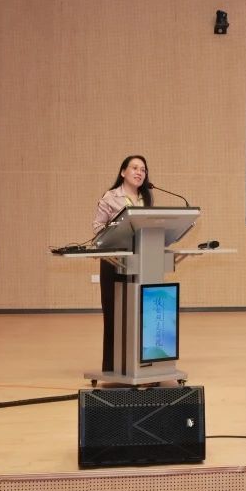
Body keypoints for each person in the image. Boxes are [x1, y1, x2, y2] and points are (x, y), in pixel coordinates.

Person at [92, 155, 153, 373]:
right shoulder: (111, 197)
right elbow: (97, 228)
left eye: (143, 170)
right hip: (114, 261)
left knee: (140, 315)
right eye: (135, 168)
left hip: (141, 261)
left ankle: (140, 364)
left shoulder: (146, 198)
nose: (139, 172)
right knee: (115, 315)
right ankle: (113, 366)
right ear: (123, 172)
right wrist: (117, 231)